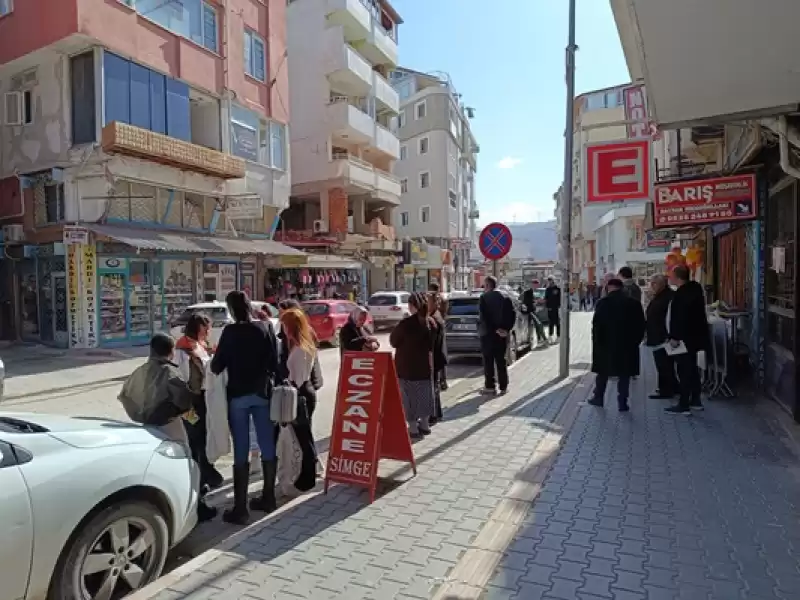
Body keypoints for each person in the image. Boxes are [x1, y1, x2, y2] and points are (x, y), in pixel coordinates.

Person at [119, 334, 217, 522]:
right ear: (171, 352)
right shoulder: (170, 373)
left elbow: (124, 396)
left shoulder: (139, 371)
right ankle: (196, 508)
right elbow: (184, 401)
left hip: (146, 426)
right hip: (169, 425)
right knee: (187, 465)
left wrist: (140, 415)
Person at [210, 290, 278, 524]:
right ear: (249, 306)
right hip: (262, 393)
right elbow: (275, 362)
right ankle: (268, 498)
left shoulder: (230, 332)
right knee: (267, 444)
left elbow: (216, 366)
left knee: (242, 447)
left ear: (231, 310)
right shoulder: (266, 327)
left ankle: (241, 509)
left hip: (238, 396)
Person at [174, 313, 224, 490]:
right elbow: (181, 378)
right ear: (197, 327)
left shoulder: (202, 345)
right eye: (206, 327)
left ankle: (206, 471)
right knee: (195, 438)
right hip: (191, 401)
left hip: (205, 397)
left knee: (204, 436)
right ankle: (199, 477)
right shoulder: (183, 349)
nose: (209, 331)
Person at [589, 278, 646, 411]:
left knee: (603, 372)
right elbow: (641, 325)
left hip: (606, 345)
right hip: (628, 346)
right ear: (622, 288)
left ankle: (598, 398)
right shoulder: (634, 303)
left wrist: (597, 342)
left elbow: (596, 326)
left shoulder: (603, 303)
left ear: (609, 288)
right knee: (624, 374)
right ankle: (623, 402)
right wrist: (635, 342)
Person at [279, 308, 320, 491]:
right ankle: (306, 473)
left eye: (284, 325)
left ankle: (308, 477)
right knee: (304, 435)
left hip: (301, 393)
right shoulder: (300, 345)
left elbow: (298, 377)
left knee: (304, 437)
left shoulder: (301, 350)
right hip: (304, 392)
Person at [665, 265, 709, 415]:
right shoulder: (696, 290)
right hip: (696, 337)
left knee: (684, 370)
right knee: (692, 368)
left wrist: (674, 337)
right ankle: (695, 400)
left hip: (683, 338)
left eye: (671, 275)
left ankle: (684, 404)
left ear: (677, 277)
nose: (669, 277)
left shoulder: (681, 295)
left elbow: (680, 318)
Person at [390, 292, 436, 439]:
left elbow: (393, 341)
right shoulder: (430, 322)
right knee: (424, 395)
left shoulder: (405, 324)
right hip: (424, 367)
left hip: (406, 367)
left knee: (408, 397)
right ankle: (425, 424)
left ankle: (413, 428)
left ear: (411, 306)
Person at [479, 276, 516, 395]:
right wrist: (505, 329)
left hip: (488, 334)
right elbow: (512, 314)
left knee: (488, 361)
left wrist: (495, 329)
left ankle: (490, 386)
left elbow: (484, 317)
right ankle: (503, 386)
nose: (484, 288)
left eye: (484, 285)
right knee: (501, 360)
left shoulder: (484, 298)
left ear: (488, 285)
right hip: (502, 335)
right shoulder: (506, 297)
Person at [645, 274, 678, 399]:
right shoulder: (660, 296)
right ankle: (673, 387)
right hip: (656, 335)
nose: (652, 286)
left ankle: (666, 390)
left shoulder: (668, 296)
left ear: (662, 284)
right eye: (651, 283)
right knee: (663, 364)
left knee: (664, 364)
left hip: (663, 336)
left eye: (654, 283)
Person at [427, 291, 448, 424]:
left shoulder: (434, 319)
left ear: (434, 303)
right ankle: (437, 413)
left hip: (434, 358)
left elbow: (430, 343)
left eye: (427, 302)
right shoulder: (436, 315)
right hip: (438, 356)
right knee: (434, 385)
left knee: (432, 386)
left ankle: (433, 415)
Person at [521, 280, 548, 347]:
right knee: (539, 324)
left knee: (537, 325)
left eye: (538, 285)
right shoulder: (527, 292)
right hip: (530, 311)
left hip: (534, 311)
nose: (537, 286)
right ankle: (544, 339)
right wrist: (535, 302)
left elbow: (536, 301)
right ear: (532, 284)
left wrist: (537, 302)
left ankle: (540, 340)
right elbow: (526, 302)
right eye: (536, 285)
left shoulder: (534, 292)